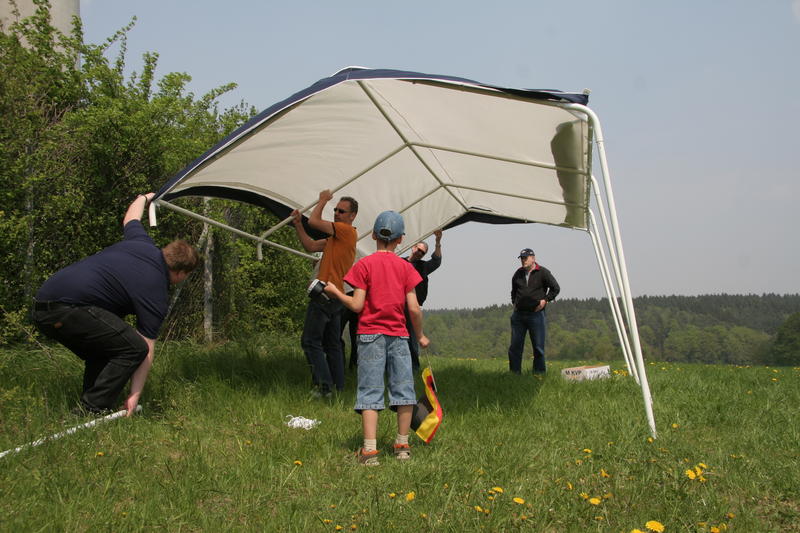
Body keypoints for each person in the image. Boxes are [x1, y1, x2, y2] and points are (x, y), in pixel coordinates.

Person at [31, 193, 199, 416]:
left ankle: (90, 406)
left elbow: (131, 217)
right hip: (68, 308)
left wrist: (146, 197)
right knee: (134, 348)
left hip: (42, 306)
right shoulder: (156, 291)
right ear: (180, 273)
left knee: (106, 348)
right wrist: (135, 395)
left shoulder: (141, 242)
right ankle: (92, 409)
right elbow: (145, 349)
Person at [324, 210, 429, 466]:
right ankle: (402, 447)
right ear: (401, 239)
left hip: (370, 336)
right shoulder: (406, 268)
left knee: (370, 391)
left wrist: (336, 292)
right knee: (404, 391)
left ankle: (370, 452)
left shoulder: (364, 265)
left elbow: (357, 306)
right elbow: (414, 309)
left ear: (372, 235)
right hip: (400, 337)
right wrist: (421, 335)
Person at [292, 190, 358, 397]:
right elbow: (311, 245)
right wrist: (298, 225)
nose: (337, 213)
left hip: (325, 294)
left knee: (310, 341)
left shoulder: (346, 231)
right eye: (335, 210)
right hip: (335, 296)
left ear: (352, 216)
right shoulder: (335, 239)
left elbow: (314, 221)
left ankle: (324, 386)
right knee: (332, 344)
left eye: (342, 211)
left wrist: (322, 201)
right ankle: (337, 387)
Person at [508, 248, 560, 374]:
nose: (523, 260)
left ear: (533, 258)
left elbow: (555, 288)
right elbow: (513, 291)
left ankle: (539, 374)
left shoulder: (543, 272)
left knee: (538, 347)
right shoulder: (518, 274)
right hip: (519, 315)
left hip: (536, 315)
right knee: (515, 347)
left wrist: (545, 300)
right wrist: (514, 303)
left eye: (525, 258)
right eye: (521, 258)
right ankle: (514, 374)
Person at [404, 229, 442, 370]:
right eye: (419, 249)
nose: (420, 253)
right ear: (413, 247)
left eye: (423, 252)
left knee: (412, 339)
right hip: (396, 306)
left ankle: (414, 367)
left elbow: (437, 261)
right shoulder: (399, 262)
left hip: (412, 307)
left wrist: (438, 242)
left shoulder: (423, 266)